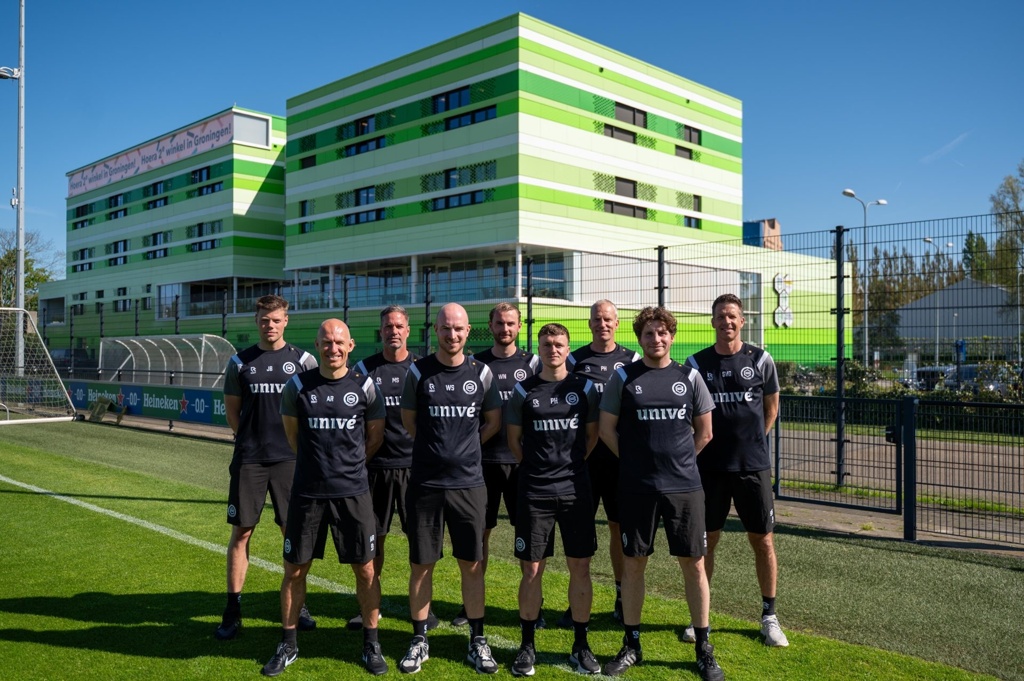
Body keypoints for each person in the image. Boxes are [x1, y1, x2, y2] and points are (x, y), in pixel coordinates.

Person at [598, 306, 724, 681]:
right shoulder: (624, 377)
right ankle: (632, 644)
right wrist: (634, 462)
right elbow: (606, 430)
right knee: (634, 563)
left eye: (662, 332)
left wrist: (678, 462)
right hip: (637, 488)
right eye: (649, 333)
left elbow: (705, 432)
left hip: (684, 488)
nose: (656, 339)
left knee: (695, 564)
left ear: (672, 336)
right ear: (640, 338)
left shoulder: (690, 377)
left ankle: (703, 648)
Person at [261, 319, 387, 676]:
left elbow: (374, 437)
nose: (333, 348)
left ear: (351, 346)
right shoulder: (298, 386)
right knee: (294, 570)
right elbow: (293, 438)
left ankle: (371, 643)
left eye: (339, 342)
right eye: (327, 342)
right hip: (307, 493)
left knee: (366, 569)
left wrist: (348, 468)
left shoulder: (365, 386)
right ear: (317, 346)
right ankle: (288, 644)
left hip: (353, 493)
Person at [398, 303, 503, 674]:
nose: (452, 334)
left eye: (458, 328)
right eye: (445, 328)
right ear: (436, 330)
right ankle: (419, 639)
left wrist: (464, 448)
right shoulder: (418, 372)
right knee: (421, 564)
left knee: (471, 564)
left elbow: (492, 421)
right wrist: (437, 451)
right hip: (426, 484)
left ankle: (477, 640)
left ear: (468, 331)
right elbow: (409, 421)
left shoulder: (482, 373)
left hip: (469, 485)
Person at [685, 294, 787, 647]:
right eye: (720, 316)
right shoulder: (696, 363)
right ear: (712, 321)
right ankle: (700, 617)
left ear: (742, 321)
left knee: (763, 540)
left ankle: (769, 616)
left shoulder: (760, 359)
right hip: (709, 469)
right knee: (706, 541)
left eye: (732, 316)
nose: (726, 321)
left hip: (752, 468)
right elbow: (690, 414)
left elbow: (771, 408)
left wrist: (753, 442)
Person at [218, 294, 318, 640]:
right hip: (250, 459)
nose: (270, 325)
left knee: (292, 532)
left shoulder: (303, 361)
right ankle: (233, 608)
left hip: (291, 460)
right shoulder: (240, 363)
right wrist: (250, 440)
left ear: (286, 321)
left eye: (276, 320)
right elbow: (233, 413)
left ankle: (298, 605)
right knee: (242, 532)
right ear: (256, 321)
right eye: (264, 320)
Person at [506, 323, 602, 677]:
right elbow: (514, 440)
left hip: (576, 490)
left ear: (568, 347)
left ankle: (581, 645)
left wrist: (568, 467)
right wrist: (537, 468)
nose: (553, 349)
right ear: (540, 348)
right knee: (532, 569)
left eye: (559, 344)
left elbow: (591, 437)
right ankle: (527, 645)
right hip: (534, 491)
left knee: (581, 567)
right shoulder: (524, 390)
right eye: (547, 344)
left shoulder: (584, 388)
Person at [346, 306, 438, 632]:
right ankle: (370, 608)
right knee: (374, 542)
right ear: (381, 331)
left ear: (408, 331)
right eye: (388, 326)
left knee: (421, 542)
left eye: (399, 326)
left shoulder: (422, 369)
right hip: (375, 469)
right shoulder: (363, 370)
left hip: (416, 470)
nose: (393, 331)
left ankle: (424, 609)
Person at [449, 303, 540, 627]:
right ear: (490, 326)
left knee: (528, 536)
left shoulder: (533, 364)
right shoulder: (476, 364)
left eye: (510, 323)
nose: (505, 329)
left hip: (521, 464)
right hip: (482, 465)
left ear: (519, 326)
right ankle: (471, 605)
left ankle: (534, 607)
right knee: (479, 536)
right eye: (499, 323)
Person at [559, 299, 639, 627]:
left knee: (619, 528)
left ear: (617, 323)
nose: (602, 324)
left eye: (608, 319)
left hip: (620, 460)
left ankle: (621, 595)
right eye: (597, 319)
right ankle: (578, 600)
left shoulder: (632, 360)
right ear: (589, 323)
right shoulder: (573, 360)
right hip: (584, 460)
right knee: (581, 529)